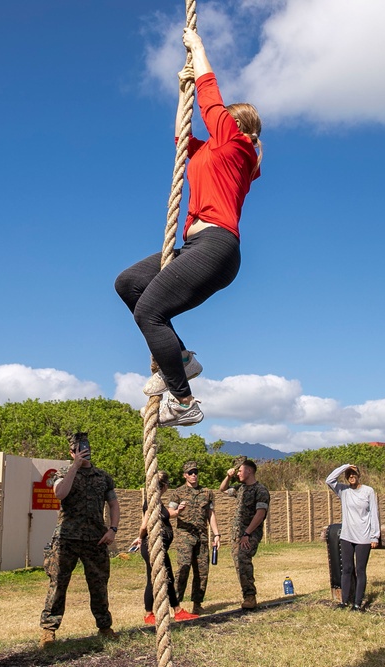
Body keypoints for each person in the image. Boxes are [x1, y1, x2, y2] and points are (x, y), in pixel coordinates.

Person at [114, 27, 262, 428]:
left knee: (150, 313)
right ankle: (182, 359)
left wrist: (197, 50)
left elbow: (211, 98)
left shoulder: (236, 144)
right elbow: (182, 139)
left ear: (238, 127)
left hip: (216, 245)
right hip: (195, 247)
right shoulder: (213, 150)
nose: (218, 123)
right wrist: (183, 93)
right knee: (128, 283)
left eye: (225, 121)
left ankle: (183, 401)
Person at [39, 432, 120, 648]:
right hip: (67, 539)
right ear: (71, 453)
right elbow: (60, 494)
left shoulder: (103, 477)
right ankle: (49, 630)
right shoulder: (62, 473)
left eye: (84, 448)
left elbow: (113, 504)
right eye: (77, 450)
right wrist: (74, 467)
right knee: (58, 584)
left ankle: (104, 626)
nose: (82, 452)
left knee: (99, 584)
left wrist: (113, 529)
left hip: (96, 539)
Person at [130, 471, 198, 624]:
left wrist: (178, 511)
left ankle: (166, 611)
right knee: (162, 578)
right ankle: (167, 612)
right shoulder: (152, 502)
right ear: (165, 486)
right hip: (153, 546)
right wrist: (140, 538)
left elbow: (168, 514)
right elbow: (145, 525)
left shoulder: (157, 502)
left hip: (159, 546)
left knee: (160, 578)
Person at [167, 460, 221, 615]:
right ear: (185, 475)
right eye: (190, 473)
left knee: (202, 571)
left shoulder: (207, 493)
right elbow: (169, 512)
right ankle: (176, 604)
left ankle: (197, 604)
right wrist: (178, 511)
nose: (194, 475)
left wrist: (216, 534)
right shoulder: (178, 493)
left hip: (202, 536)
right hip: (185, 536)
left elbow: (210, 514)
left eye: (195, 472)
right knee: (183, 568)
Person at [325, 464, 380, 611]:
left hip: (363, 537)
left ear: (359, 475)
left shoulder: (368, 491)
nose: (351, 476)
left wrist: (375, 536)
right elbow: (329, 480)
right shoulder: (344, 491)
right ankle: (344, 602)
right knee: (347, 569)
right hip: (347, 536)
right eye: (349, 474)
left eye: (354, 474)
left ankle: (357, 603)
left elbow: (374, 513)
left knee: (360, 570)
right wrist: (345, 466)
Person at [219, 459, 269, 609]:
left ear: (249, 471)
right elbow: (222, 489)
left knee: (243, 558)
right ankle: (247, 595)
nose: (238, 474)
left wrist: (247, 533)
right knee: (239, 564)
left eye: (240, 471)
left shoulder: (260, 490)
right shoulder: (240, 488)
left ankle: (250, 597)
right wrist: (228, 476)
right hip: (238, 533)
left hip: (250, 533)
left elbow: (260, 514)